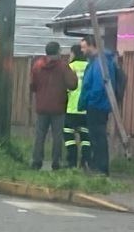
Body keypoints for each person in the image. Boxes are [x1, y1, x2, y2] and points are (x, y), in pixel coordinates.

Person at [30, 41, 78, 170]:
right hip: (58, 106)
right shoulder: (63, 66)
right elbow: (72, 85)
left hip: (42, 106)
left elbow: (32, 85)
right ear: (58, 51)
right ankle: (56, 162)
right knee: (57, 136)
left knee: (40, 135)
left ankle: (36, 161)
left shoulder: (37, 66)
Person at [78, 35, 121, 177]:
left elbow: (98, 85)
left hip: (97, 105)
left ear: (92, 45)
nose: (82, 51)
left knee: (98, 137)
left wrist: (90, 100)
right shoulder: (98, 61)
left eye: (84, 47)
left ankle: (100, 168)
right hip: (97, 104)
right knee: (96, 137)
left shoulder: (99, 63)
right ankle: (97, 166)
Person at [65, 44, 89, 167]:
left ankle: (71, 161)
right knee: (85, 137)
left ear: (73, 54)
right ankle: (85, 161)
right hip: (86, 109)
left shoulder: (70, 67)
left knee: (69, 135)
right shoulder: (89, 67)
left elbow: (65, 88)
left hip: (71, 107)